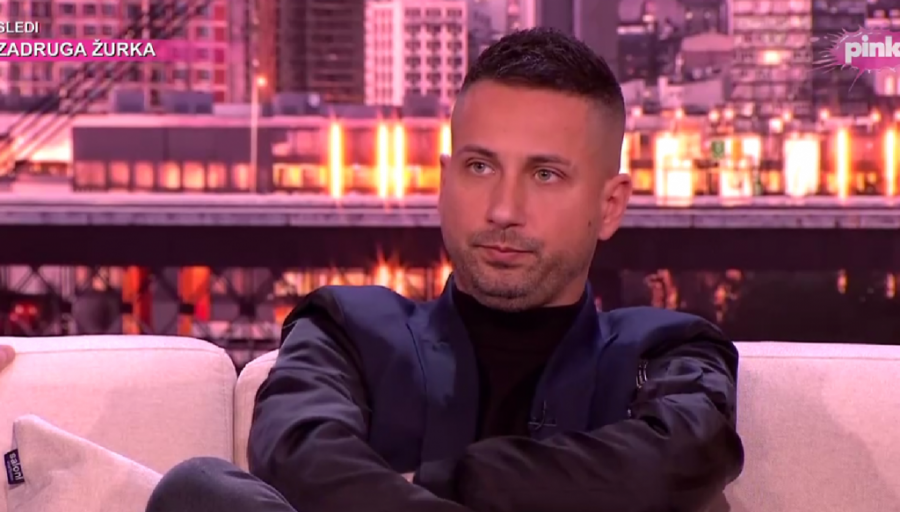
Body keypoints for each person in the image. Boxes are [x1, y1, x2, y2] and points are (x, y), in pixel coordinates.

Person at [147, 28, 743, 512]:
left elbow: (688, 451)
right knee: (199, 493)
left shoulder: (668, 348)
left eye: (545, 175)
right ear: (444, 179)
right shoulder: (346, 328)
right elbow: (298, 457)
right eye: (480, 167)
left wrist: (446, 480)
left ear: (610, 205)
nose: (503, 210)